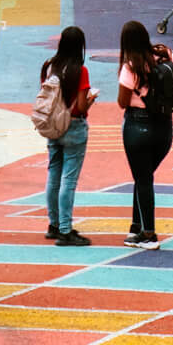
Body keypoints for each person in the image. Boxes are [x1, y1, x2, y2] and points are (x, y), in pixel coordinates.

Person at [117, 20, 173, 248]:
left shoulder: (130, 66)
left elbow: (122, 102)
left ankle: (148, 234)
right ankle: (136, 227)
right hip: (164, 127)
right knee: (143, 177)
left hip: (137, 126)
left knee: (143, 178)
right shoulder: (166, 56)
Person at [40, 26, 97, 245]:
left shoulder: (50, 67)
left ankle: (53, 224)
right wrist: (90, 100)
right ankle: (65, 230)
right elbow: (80, 106)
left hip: (53, 125)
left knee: (53, 174)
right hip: (73, 126)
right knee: (69, 180)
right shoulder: (80, 71)